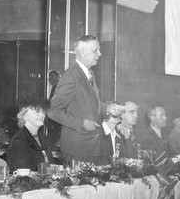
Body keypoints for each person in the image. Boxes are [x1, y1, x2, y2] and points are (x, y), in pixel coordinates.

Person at [48, 35, 108, 164]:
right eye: (95, 50)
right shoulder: (70, 76)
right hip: (77, 150)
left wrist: (108, 108)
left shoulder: (90, 73)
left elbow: (91, 104)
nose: (100, 53)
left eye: (99, 50)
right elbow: (54, 111)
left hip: (92, 147)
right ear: (82, 53)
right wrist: (82, 123)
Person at [7, 104, 53, 172]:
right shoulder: (19, 140)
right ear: (24, 116)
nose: (42, 115)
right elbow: (22, 174)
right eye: (36, 112)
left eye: (43, 112)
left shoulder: (43, 138)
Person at [44, 70, 62, 149]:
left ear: (58, 77)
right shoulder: (55, 87)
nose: (49, 79)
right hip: (55, 117)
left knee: (54, 136)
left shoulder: (58, 87)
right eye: (49, 77)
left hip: (56, 118)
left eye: (52, 77)